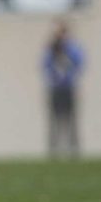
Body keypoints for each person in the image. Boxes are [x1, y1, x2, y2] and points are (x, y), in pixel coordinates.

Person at [43, 21, 84, 157]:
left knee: (71, 119)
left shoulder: (72, 48)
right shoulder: (51, 48)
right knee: (55, 120)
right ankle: (53, 151)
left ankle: (73, 150)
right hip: (56, 88)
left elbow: (80, 64)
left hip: (68, 88)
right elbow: (45, 66)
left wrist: (67, 55)